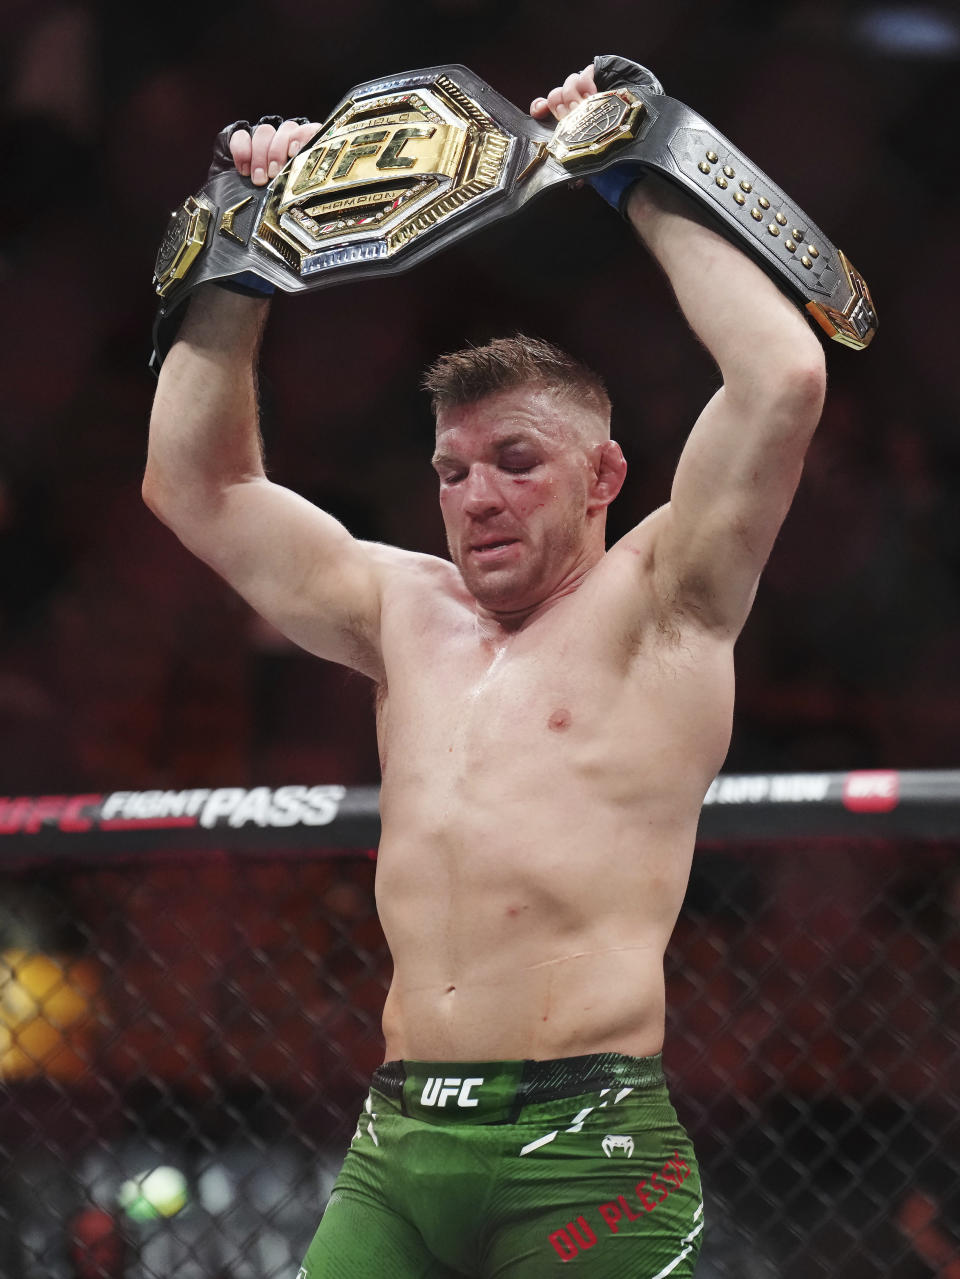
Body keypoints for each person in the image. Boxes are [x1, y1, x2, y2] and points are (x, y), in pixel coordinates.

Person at [144, 63, 827, 1278]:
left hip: (589, 1148)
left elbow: (780, 376)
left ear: (605, 477)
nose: (475, 499)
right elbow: (197, 486)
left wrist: (636, 160)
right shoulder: (399, 609)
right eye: (452, 472)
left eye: (515, 461)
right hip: (397, 1142)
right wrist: (239, 248)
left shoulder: (666, 601)